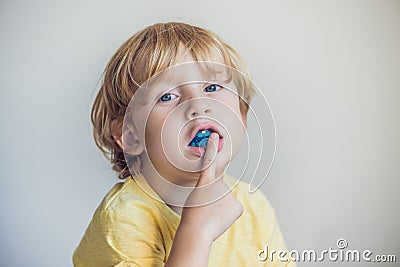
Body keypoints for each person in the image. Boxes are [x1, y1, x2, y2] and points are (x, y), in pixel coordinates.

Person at [73, 21, 296, 267]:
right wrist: (196, 233)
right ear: (131, 136)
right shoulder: (123, 221)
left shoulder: (254, 207)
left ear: (241, 115)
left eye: (212, 87)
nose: (198, 105)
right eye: (167, 96)